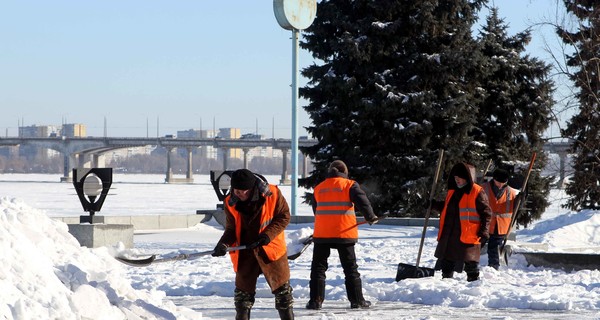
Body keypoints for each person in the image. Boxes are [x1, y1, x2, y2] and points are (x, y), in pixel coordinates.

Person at [211, 169, 294, 320]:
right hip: (245, 253)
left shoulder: (273, 194)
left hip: (270, 250)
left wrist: (267, 236)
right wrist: (223, 244)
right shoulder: (230, 202)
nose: (240, 194)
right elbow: (230, 229)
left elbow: (284, 217)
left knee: (283, 295)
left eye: (244, 191)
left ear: (253, 187)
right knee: (242, 299)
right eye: (236, 191)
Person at [306, 160, 379, 310]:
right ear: (344, 172)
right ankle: (357, 301)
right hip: (344, 233)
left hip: (322, 234)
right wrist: (370, 217)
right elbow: (362, 201)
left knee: (318, 268)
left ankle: (315, 301)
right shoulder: (349, 184)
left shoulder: (319, 188)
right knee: (350, 268)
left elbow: (316, 211)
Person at [431, 162, 492, 282]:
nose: (457, 180)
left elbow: (486, 213)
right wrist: (434, 205)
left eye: (459, 177)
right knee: (447, 259)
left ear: (467, 177)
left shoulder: (477, 192)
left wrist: (484, 230)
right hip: (450, 232)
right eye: (455, 177)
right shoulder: (452, 191)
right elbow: (448, 207)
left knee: (470, 261)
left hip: (468, 233)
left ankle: (473, 283)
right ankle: (446, 280)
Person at [481, 168, 519, 270]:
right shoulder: (483, 188)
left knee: (494, 247)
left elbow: (515, 208)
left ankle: (493, 267)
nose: (501, 185)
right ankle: (468, 264)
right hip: (485, 223)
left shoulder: (511, 192)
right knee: (476, 245)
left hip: (501, 225)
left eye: (504, 183)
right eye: (499, 182)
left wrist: (520, 200)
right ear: (494, 179)